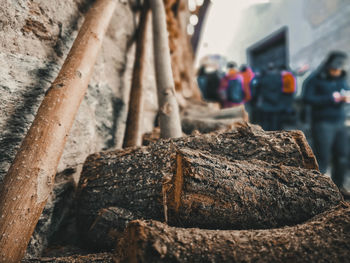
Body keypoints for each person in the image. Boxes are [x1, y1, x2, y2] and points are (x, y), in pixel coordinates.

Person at [302, 51, 350, 198]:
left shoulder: (342, 77)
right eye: (335, 67)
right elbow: (307, 98)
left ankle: (338, 188)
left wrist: (345, 96)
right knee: (322, 158)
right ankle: (319, 193)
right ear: (328, 65)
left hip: (339, 123)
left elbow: (346, 89)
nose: (337, 71)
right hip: (323, 123)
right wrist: (330, 98)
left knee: (342, 156)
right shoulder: (314, 79)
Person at [252, 62, 296, 131]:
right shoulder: (280, 78)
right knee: (277, 126)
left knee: (266, 126)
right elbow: (287, 90)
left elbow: (256, 91)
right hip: (277, 106)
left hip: (266, 106)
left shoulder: (263, 79)